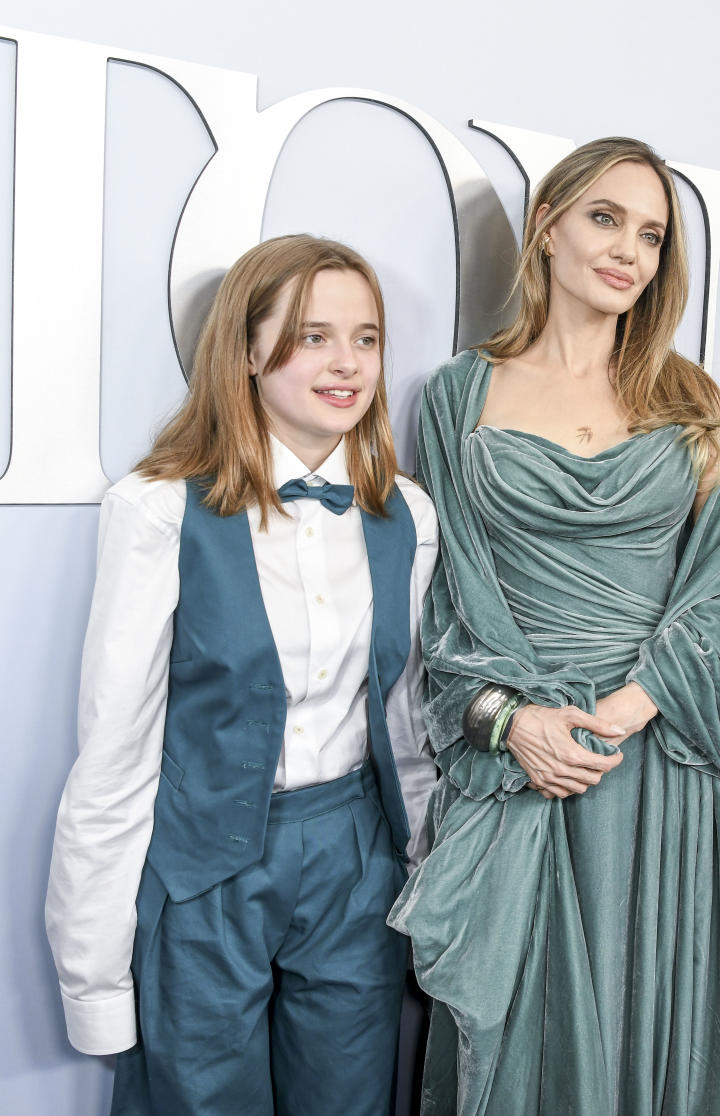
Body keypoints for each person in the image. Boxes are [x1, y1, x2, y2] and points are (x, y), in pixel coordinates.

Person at [389, 138, 720, 1115]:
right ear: (546, 227)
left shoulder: (690, 400)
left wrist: (624, 711)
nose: (630, 248)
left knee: (683, 1031)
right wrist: (519, 725)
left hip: (667, 765)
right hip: (535, 772)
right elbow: (453, 612)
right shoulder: (459, 397)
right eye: (605, 217)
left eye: (654, 235)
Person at [45, 235, 438, 1115]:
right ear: (250, 352)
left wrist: (425, 873)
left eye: (366, 338)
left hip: (354, 861)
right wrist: (93, 980)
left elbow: (408, 721)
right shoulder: (155, 508)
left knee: (349, 1098)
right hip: (204, 866)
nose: (347, 364)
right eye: (312, 336)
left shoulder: (406, 513)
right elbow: (115, 752)